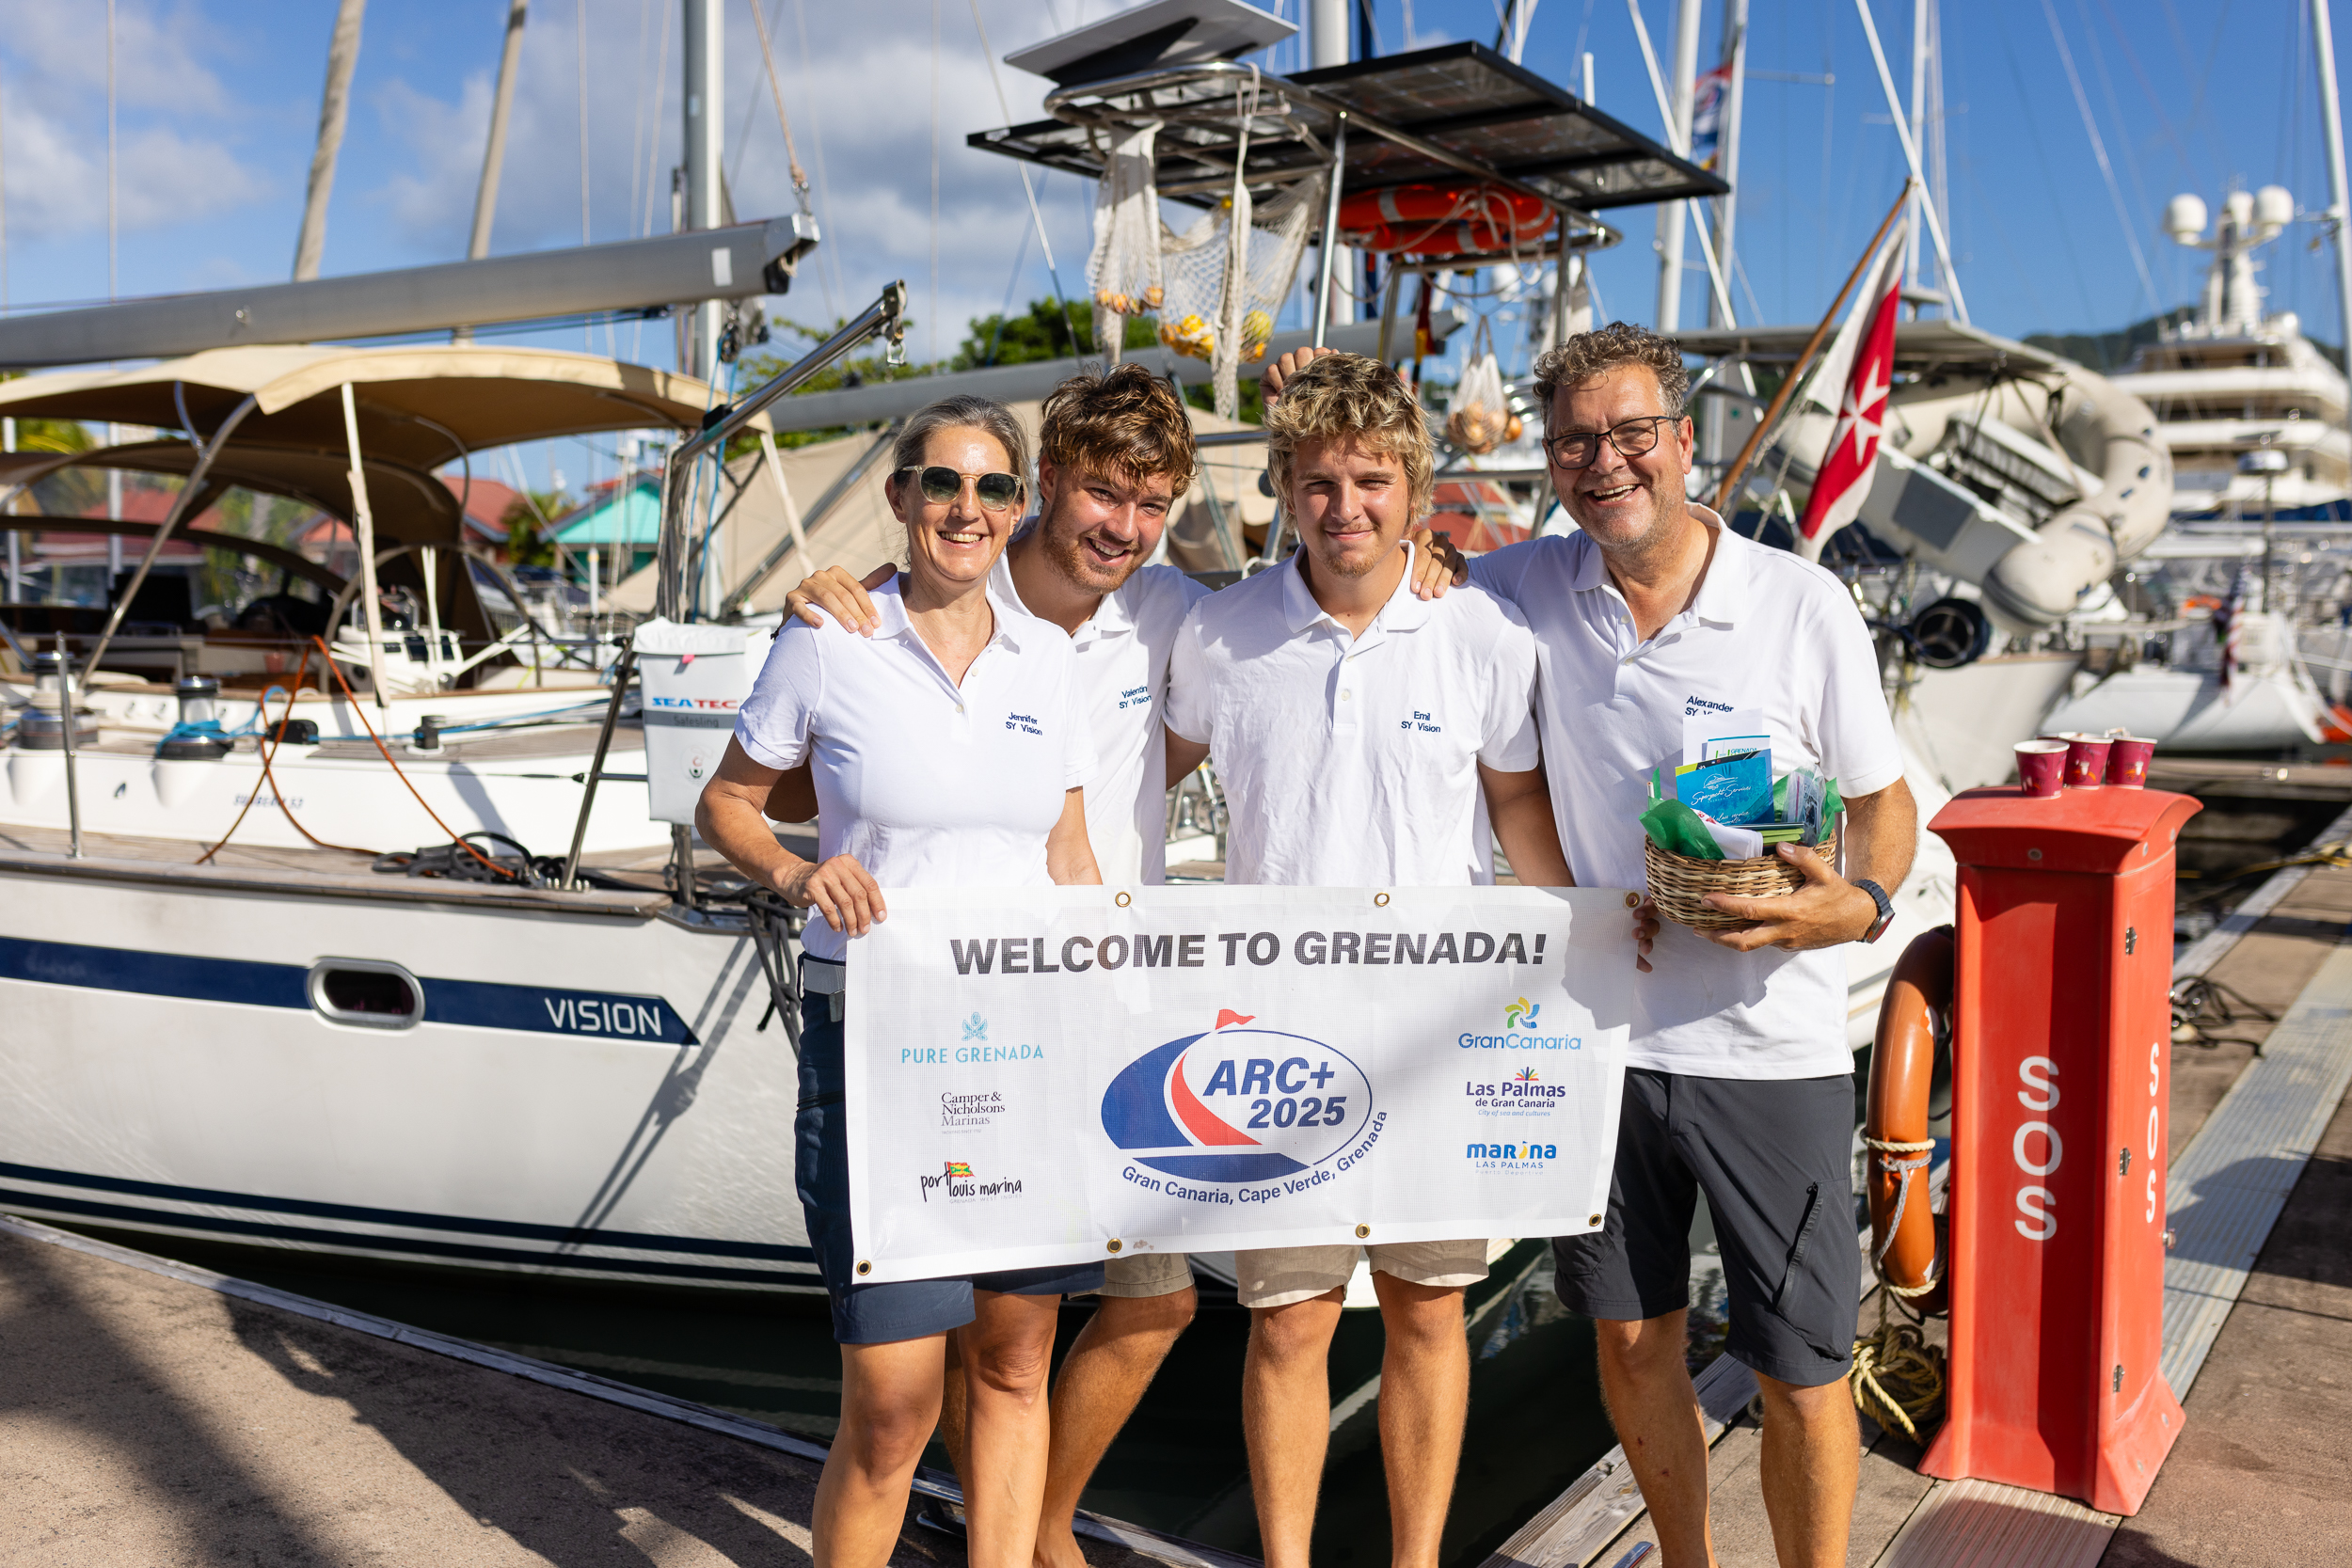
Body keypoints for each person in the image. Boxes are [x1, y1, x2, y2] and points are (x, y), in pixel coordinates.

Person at [773, 362, 1463, 1568]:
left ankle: (1032, 1524)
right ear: (1048, 484)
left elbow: (1298, 624)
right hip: (935, 1015)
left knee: (1137, 1308)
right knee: (935, 1348)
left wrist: (1433, 563)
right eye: (1100, 496)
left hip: (1110, 1008)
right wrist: (828, 598)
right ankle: (969, 1512)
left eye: (1149, 505)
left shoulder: (1176, 616)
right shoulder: (926, 605)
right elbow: (796, 773)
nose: (1122, 529)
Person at [1284, 323, 1911, 1568]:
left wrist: (1868, 900)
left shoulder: (1800, 600)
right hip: (1590, 1039)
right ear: (1550, 457)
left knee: (1801, 1361)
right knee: (1630, 1337)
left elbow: (1881, 798)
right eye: (1576, 440)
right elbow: (1357, 566)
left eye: (1632, 434)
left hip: (1767, 1041)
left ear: (1687, 443)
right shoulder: (1515, 588)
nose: (1605, 461)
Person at [1162, 351, 1576, 1568]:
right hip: (1270, 1035)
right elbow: (1140, 777)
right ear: (1287, 486)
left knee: (1428, 1308)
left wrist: (1584, 937)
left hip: (1437, 1032)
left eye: (1374, 479)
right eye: (1322, 480)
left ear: (1417, 487)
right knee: (1287, 1324)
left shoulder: (1484, 632)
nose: (1348, 505)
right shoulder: (1220, 633)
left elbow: (1517, 809)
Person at [695, 394, 1104, 1568]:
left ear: (1018, 507)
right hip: (876, 1040)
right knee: (893, 1404)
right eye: (939, 483)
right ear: (899, 497)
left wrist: (1111, 995)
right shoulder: (829, 638)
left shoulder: (1052, 658)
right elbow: (726, 801)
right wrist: (792, 867)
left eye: (989, 488)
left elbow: (1066, 854)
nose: (963, 508)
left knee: (1017, 1364)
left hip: (1027, 1042)